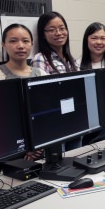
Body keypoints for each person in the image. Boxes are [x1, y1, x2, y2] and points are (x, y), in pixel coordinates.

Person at [0, 23, 47, 161]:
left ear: (32, 44)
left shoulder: (41, 74)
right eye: (13, 41)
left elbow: (46, 114)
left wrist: (39, 144)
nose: (20, 46)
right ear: (3, 45)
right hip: (8, 150)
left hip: (41, 145)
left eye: (25, 41)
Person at [31, 11, 80, 151]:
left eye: (62, 28)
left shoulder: (72, 60)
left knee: (76, 160)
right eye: (52, 30)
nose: (58, 33)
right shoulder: (41, 59)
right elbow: (42, 96)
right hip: (55, 123)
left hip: (74, 119)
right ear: (43, 34)